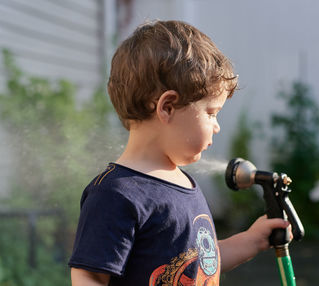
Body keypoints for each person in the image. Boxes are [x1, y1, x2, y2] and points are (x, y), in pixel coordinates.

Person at [68, 20, 290, 286]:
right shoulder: (115, 195)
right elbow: (88, 276)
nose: (216, 126)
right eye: (211, 113)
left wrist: (252, 240)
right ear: (168, 107)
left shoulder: (182, 183)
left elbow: (201, 265)